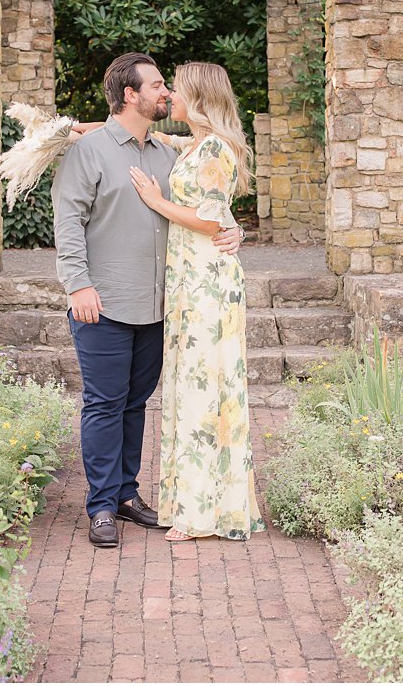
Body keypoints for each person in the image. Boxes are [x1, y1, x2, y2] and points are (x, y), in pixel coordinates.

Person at [51, 53, 243, 549]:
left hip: (161, 306)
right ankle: (99, 507)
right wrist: (77, 285)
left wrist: (232, 227)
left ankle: (125, 495)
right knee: (104, 404)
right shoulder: (89, 152)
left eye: (168, 85)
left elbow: (206, 200)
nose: (166, 93)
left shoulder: (165, 150)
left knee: (136, 404)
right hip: (104, 302)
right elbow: (68, 222)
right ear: (130, 95)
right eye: (157, 86)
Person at [128, 62, 265, 542]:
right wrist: (67, 131)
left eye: (177, 91)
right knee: (189, 385)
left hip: (209, 281)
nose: (170, 98)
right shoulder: (195, 144)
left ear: (200, 99)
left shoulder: (215, 149)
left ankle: (203, 513)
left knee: (205, 388)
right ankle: (191, 502)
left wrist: (155, 200)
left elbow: (211, 221)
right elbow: (150, 137)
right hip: (190, 281)